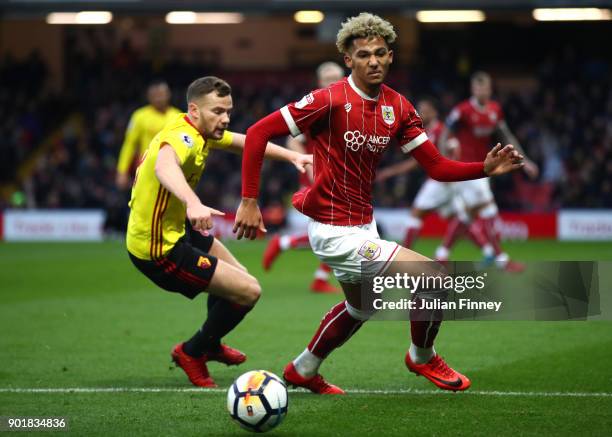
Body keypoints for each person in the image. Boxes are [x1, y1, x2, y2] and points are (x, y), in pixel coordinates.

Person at [234, 13, 524, 394]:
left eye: (381, 53)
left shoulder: (398, 107)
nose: (373, 60)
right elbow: (258, 133)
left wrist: (483, 169)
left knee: (362, 307)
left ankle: (302, 370)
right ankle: (421, 357)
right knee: (434, 275)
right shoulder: (329, 99)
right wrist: (249, 200)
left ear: (390, 57)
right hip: (333, 230)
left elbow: (436, 166)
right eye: (364, 54)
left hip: (363, 225)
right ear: (348, 61)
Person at [126, 76, 312, 388]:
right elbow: (164, 165)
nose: (225, 118)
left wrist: (292, 155)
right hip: (158, 250)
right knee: (248, 291)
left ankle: (209, 343)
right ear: (194, 110)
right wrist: (192, 202)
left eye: (228, 111)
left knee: (238, 280)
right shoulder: (183, 137)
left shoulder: (198, 130)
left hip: (176, 230)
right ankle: (192, 351)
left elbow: (244, 142)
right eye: (217, 111)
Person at [437, 71, 539, 271]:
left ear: (490, 89)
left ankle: (442, 254)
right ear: (472, 89)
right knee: (489, 209)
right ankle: (502, 260)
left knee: (467, 217)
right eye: (478, 88)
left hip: (484, 169)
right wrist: (442, 163)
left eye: (485, 88)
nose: (482, 91)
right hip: (465, 169)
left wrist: (525, 160)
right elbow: (444, 134)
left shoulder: (495, 110)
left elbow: (507, 135)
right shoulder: (462, 110)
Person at [376, 98, 494, 261]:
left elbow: (454, 148)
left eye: (424, 110)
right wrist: (390, 171)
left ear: (434, 112)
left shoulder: (440, 130)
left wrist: (449, 172)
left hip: (440, 182)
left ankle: (402, 258)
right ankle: (488, 251)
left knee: (416, 214)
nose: (420, 114)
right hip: (446, 182)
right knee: (459, 220)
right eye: (419, 110)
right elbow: (417, 161)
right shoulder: (428, 132)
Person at [262, 61, 345, 293]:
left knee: (337, 231)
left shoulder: (348, 106)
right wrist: (309, 167)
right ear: (319, 83)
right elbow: (292, 140)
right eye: (327, 78)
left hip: (341, 175)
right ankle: (289, 247)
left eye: (336, 78)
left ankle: (292, 251)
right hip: (317, 175)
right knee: (339, 230)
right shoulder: (313, 106)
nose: (332, 82)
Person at [116, 81, 181, 190]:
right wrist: (122, 171)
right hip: (146, 168)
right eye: (155, 95)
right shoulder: (139, 116)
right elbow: (129, 144)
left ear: (168, 95)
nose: (158, 98)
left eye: (161, 95)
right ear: (148, 97)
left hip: (172, 168)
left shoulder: (177, 116)